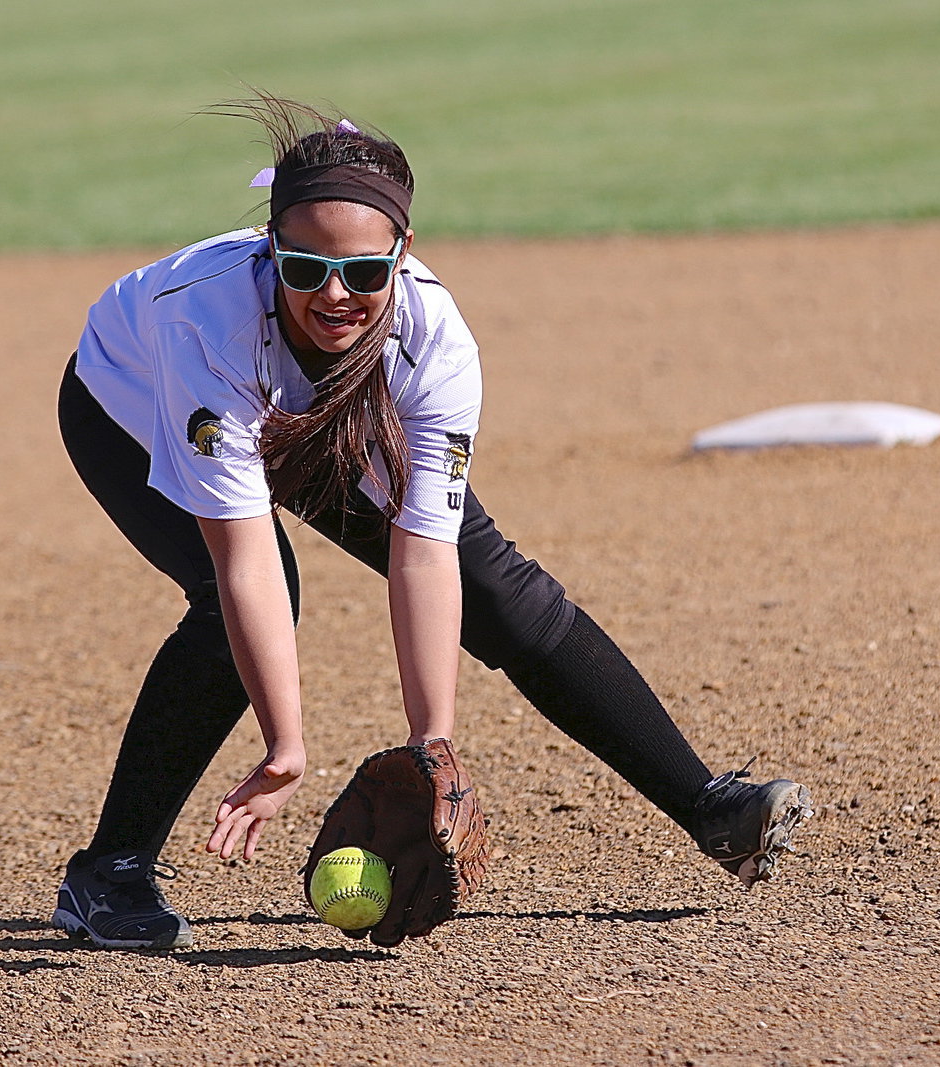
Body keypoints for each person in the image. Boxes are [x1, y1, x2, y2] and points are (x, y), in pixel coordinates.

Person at [50, 97, 811, 950]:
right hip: (133, 405)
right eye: (306, 268)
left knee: (497, 587)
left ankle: (711, 807)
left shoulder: (432, 342)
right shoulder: (207, 327)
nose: (336, 294)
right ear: (271, 250)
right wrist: (286, 745)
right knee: (237, 614)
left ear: (402, 257)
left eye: (365, 273)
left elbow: (425, 552)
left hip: (329, 409)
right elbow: (248, 565)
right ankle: (107, 873)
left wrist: (431, 745)